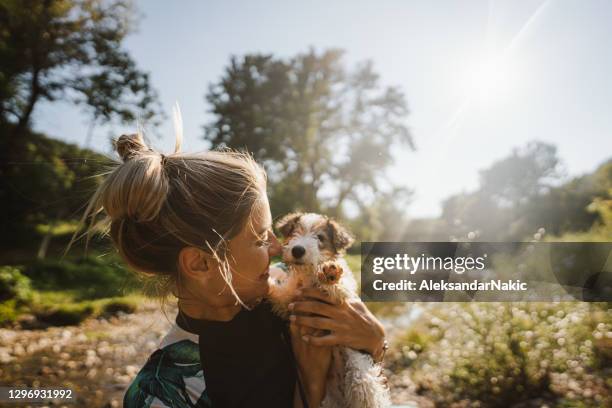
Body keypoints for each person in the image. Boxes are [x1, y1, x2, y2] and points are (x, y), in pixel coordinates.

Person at [77, 130, 386, 408]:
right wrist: (310, 382)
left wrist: (373, 341)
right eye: (259, 240)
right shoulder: (161, 394)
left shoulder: (284, 296)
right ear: (201, 263)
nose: (278, 249)